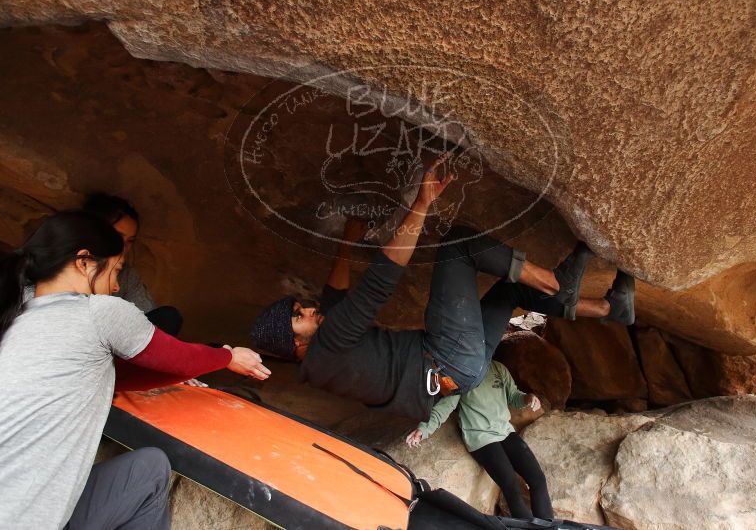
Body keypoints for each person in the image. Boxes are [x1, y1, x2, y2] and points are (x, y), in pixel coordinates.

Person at [251, 153, 635, 421]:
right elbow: (378, 285)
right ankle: (556, 284)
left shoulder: (323, 361)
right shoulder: (328, 344)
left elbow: (333, 296)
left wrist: (351, 235)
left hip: (461, 374)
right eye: (299, 317)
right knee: (457, 245)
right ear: (296, 345)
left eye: (300, 307)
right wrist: (421, 204)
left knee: (511, 291)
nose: (309, 309)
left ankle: (608, 310)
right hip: (447, 356)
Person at [0, 211, 270, 530]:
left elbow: (123, 376)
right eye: (115, 270)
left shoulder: (18, 317)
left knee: (149, 467)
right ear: (84, 262)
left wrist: (208, 361)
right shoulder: (97, 313)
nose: (116, 286)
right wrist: (227, 356)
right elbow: (177, 358)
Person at [405, 360, 552, 520]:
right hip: (481, 437)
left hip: (504, 431)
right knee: (511, 485)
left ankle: (548, 525)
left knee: (537, 478)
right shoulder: (461, 373)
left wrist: (528, 398)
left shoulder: (498, 368)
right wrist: (424, 429)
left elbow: (514, 396)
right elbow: (445, 406)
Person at [82, 192, 182, 336]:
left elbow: (147, 321)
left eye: (130, 241)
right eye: (117, 236)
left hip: (122, 345)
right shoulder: (69, 266)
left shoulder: (127, 274)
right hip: (83, 342)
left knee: (168, 317)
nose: (123, 246)